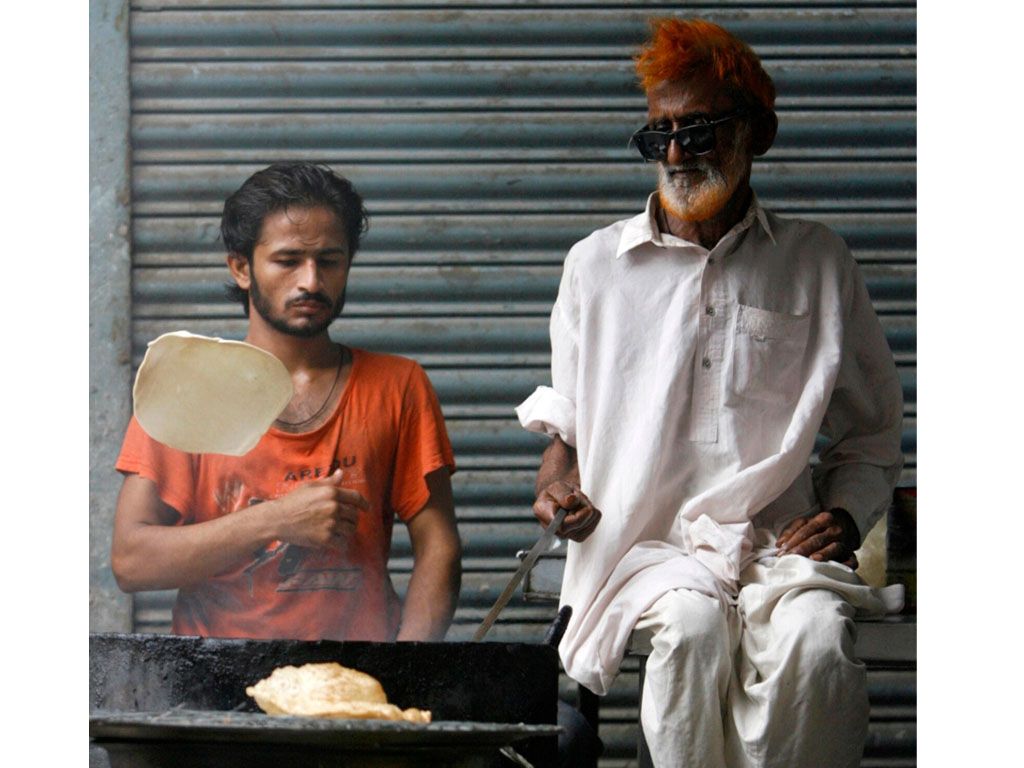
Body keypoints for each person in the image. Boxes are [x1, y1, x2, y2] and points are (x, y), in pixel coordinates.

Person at [516, 18, 905, 768]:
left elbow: (872, 428)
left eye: (698, 133)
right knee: (691, 634)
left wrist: (848, 516)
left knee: (819, 643)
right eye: (656, 135)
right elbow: (567, 420)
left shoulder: (818, 262)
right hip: (641, 543)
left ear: (757, 132)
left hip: (773, 545)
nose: (672, 154)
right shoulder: (595, 265)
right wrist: (558, 488)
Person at [112, 162, 462, 643]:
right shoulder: (184, 385)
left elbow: (439, 547)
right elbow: (131, 561)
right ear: (241, 267)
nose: (311, 282)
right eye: (288, 260)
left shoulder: (398, 385)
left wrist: (404, 676)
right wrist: (276, 519)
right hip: (212, 688)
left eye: (331, 261)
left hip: (357, 687)